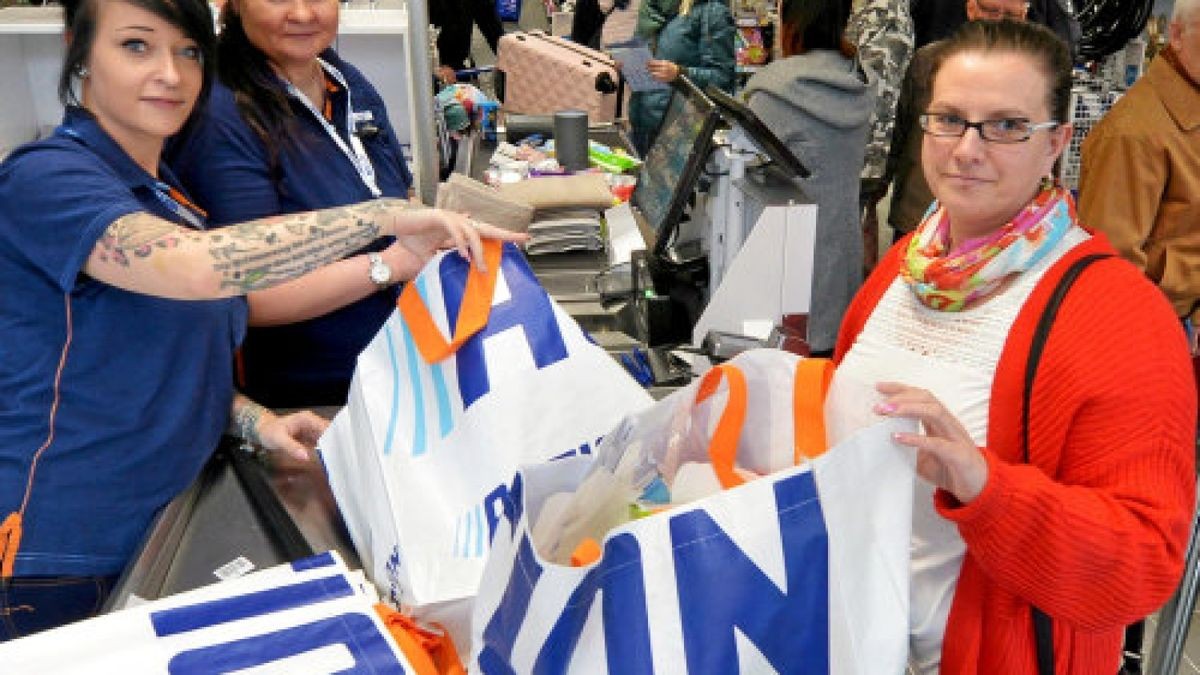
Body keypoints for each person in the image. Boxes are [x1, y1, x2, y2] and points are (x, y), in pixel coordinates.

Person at [0, 0, 520, 639]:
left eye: (188, 51)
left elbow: (149, 361)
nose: (169, 73)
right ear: (77, 51)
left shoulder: (164, 192)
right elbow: (195, 267)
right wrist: (383, 219)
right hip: (62, 553)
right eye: (136, 46)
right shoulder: (45, 177)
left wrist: (253, 422)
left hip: (164, 525)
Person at [829, 20, 1195, 673]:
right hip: (853, 639)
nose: (967, 148)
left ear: (1056, 141)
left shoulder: (1119, 316)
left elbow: (1144, 561)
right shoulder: (907, 267)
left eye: (1005, 126)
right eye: (948, 119)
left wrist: (986, 488)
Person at [168, 0, 421, 407]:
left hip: (395, 371)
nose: (303, 14)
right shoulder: (220, 115)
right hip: (305, 402)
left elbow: (400, 195)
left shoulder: (343, 79)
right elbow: (250, 295)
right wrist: (391, 265)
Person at [742, 0, 873, 355]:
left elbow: (742, 171)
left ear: (790, 19)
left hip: (786, 262)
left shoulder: (773, 93)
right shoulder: (858, 81)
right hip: (841, 255)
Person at [1078, 0, 1200, 331]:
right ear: (1176, 35)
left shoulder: (1186, 110)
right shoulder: (1134, 134)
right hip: (1158, 325)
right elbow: (1110, 269)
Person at [887, 0, 1029, 242]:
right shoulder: (929, 61)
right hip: (919, 216)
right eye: (991, 10)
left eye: (1011, 16)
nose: (1000, 22)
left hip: (1000, 228)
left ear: (1024, 16)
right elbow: (898, 134)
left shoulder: (1035, 76)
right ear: (971, 8)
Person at [845, 0, 914, 271]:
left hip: (861, 156)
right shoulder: (874, 9)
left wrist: (867, 169)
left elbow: (879, 94)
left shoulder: (886, 12)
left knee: (847, 248)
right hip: (860, 155)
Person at [627, 0, 736, 155]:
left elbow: (723, 77)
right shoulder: (651, 8)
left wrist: (680, 74)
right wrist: (627, 66)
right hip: (641, 125)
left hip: (679, 134)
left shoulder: (711, 11)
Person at [429, 0, 505, 86]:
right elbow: (416, 34)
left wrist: (510, 54)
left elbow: (491, 25)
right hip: (426, 65)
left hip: (458, 62)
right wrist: (435, 66)